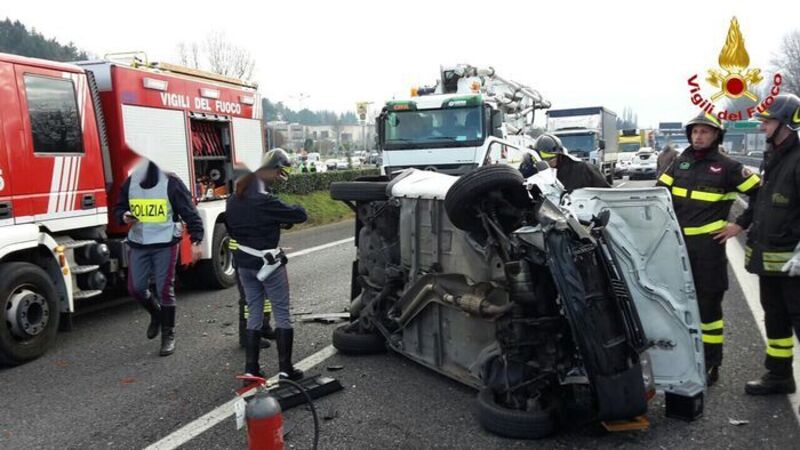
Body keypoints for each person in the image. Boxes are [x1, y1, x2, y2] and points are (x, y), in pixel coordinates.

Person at [657, 112, 760, 386]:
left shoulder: (729, 167)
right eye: (694, 131)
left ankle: (712, 363)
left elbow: (761, 194)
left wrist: (738, 225)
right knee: (674, 304)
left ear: (716, 135)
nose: (698, 136)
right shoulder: (680, 162)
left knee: (708, 308)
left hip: (708, 248)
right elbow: (657, 195)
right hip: (675, 246)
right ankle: (682, 359)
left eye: (704, 131)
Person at [723, 94, 800, 396]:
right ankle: (780, 375)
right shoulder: (774, 155)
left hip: (793, 264)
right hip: (771, 261)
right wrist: (740, 224)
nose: (762, 126)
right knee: (776, 318)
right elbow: (765, 201)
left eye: (767, 121)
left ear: (786, 123)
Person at [226, 149, 308, 380]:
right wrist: (279, 220)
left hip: (244, 264)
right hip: (269, 265)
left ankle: (251, 369)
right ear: (270, 169)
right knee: (282, 314)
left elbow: (236, 228)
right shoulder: (265, 201)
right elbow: (300, 214)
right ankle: (285, 370)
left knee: (254, 313)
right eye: (279, 172)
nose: (280, 177)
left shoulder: (234, 199)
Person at [115, 159, 203, 356]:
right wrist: (124, 216)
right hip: (139, 243)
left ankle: (168, 335)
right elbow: (119, 209)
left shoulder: (171, 182)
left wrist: (197, 240)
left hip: (165, 243)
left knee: (164, 289)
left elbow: (189, 212)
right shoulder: (130, 182)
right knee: (136, 289)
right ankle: (156, 314)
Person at [532, 133, 611, 191]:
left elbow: (606, 193)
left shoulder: (583, 168)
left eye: (551, 158)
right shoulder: (534, 173)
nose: (547, 163)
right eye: (543, 160)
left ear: (560, 155)